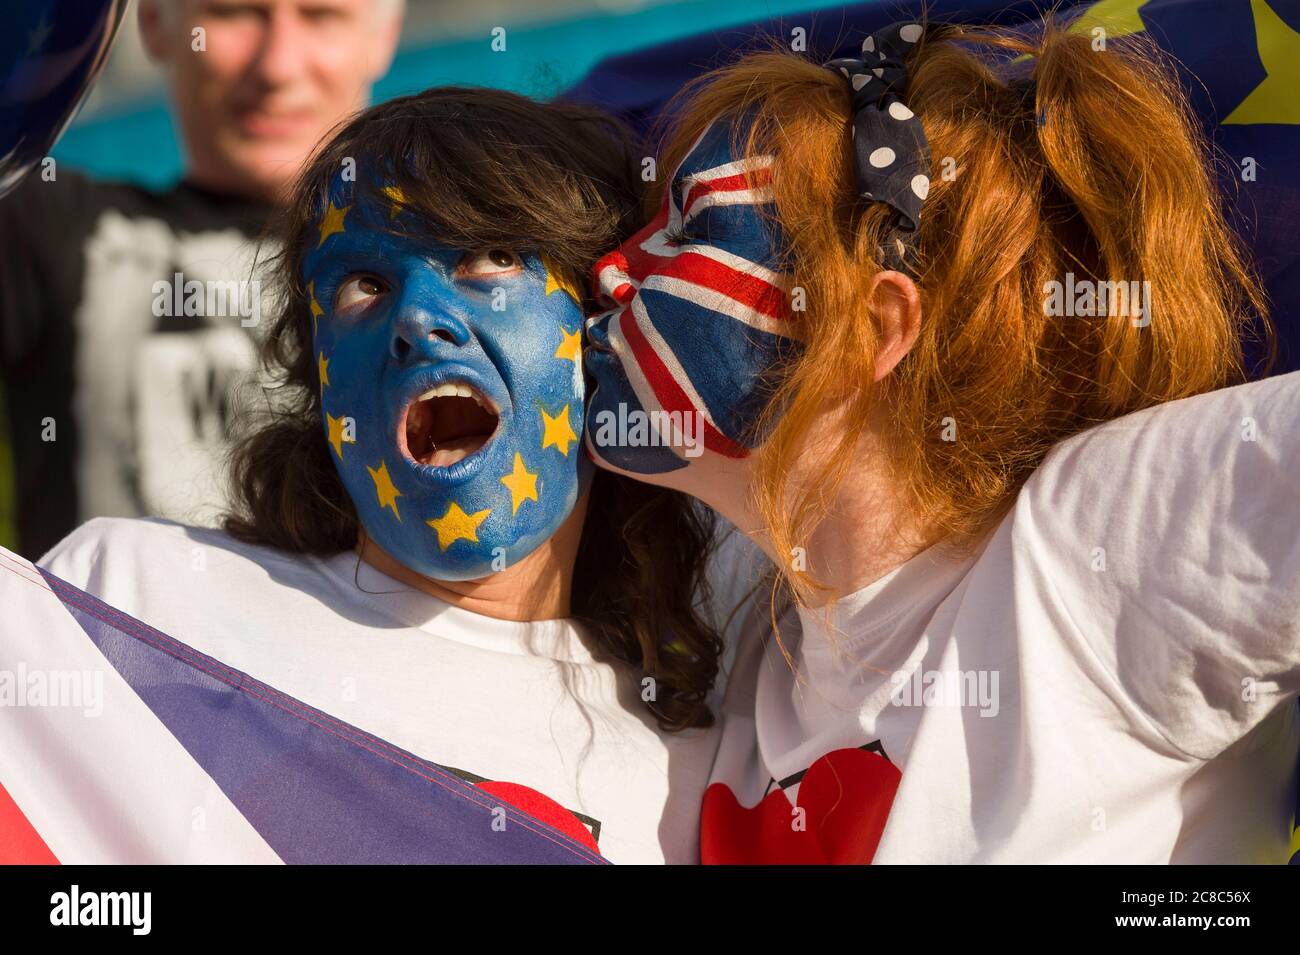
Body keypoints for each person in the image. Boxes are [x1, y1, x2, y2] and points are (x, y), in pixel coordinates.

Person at [581, 19, 1300, 862]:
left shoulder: (1081, 549)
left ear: (873, 328)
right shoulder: (752, 607)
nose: (613, 267)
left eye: (689, 229)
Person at [8, 87, 722, 864]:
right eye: (365, 286)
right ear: (321, 382)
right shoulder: (129, 598)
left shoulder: (695, 773)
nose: (418, 317)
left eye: (492, 256)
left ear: (601, 329)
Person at [0, 0, 403, 559]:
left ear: (385, 36)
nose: (277, 67)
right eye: (234, 13)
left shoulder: (454, 262)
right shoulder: (49, 228)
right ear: (152, 25)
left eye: (320, 16)